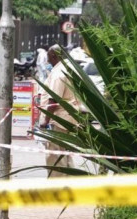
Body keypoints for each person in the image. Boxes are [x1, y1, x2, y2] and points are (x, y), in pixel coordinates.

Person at [40, 45, 79, 177]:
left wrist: (45, 121)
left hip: (58, 120)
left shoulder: (58, 74)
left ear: (53, 56)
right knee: (65, 154)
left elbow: (53, 101)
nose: (48, 60)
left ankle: (57, 188)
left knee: (55, 157)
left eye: (49, 57)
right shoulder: (68, 68)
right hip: (69, 118)